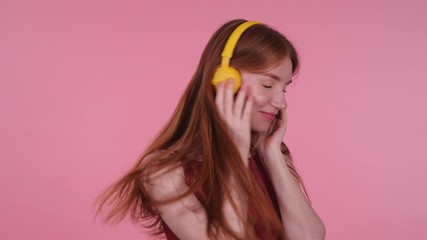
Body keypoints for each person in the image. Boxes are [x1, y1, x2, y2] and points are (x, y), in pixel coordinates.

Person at [95, 19, 326, 240]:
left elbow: (309, 237)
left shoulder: (270, 155)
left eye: (284, 89)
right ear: (224, 80)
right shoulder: (163, 173)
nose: (281, 103)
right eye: (267, 84)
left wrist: (272, 154)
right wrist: (233, 152)